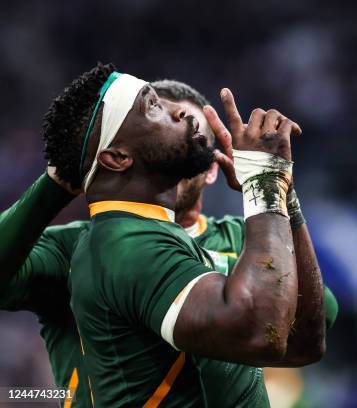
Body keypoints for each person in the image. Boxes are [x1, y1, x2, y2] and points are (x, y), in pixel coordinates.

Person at [0, 65, 336, 407]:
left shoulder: (233, 235)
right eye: (154, 107)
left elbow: (308, 339)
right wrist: (60, 179)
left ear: (211, 169)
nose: (179, 115)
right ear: (117, 157)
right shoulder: (113, 245)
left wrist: (279, 190)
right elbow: (257, 329)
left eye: (201, 136)